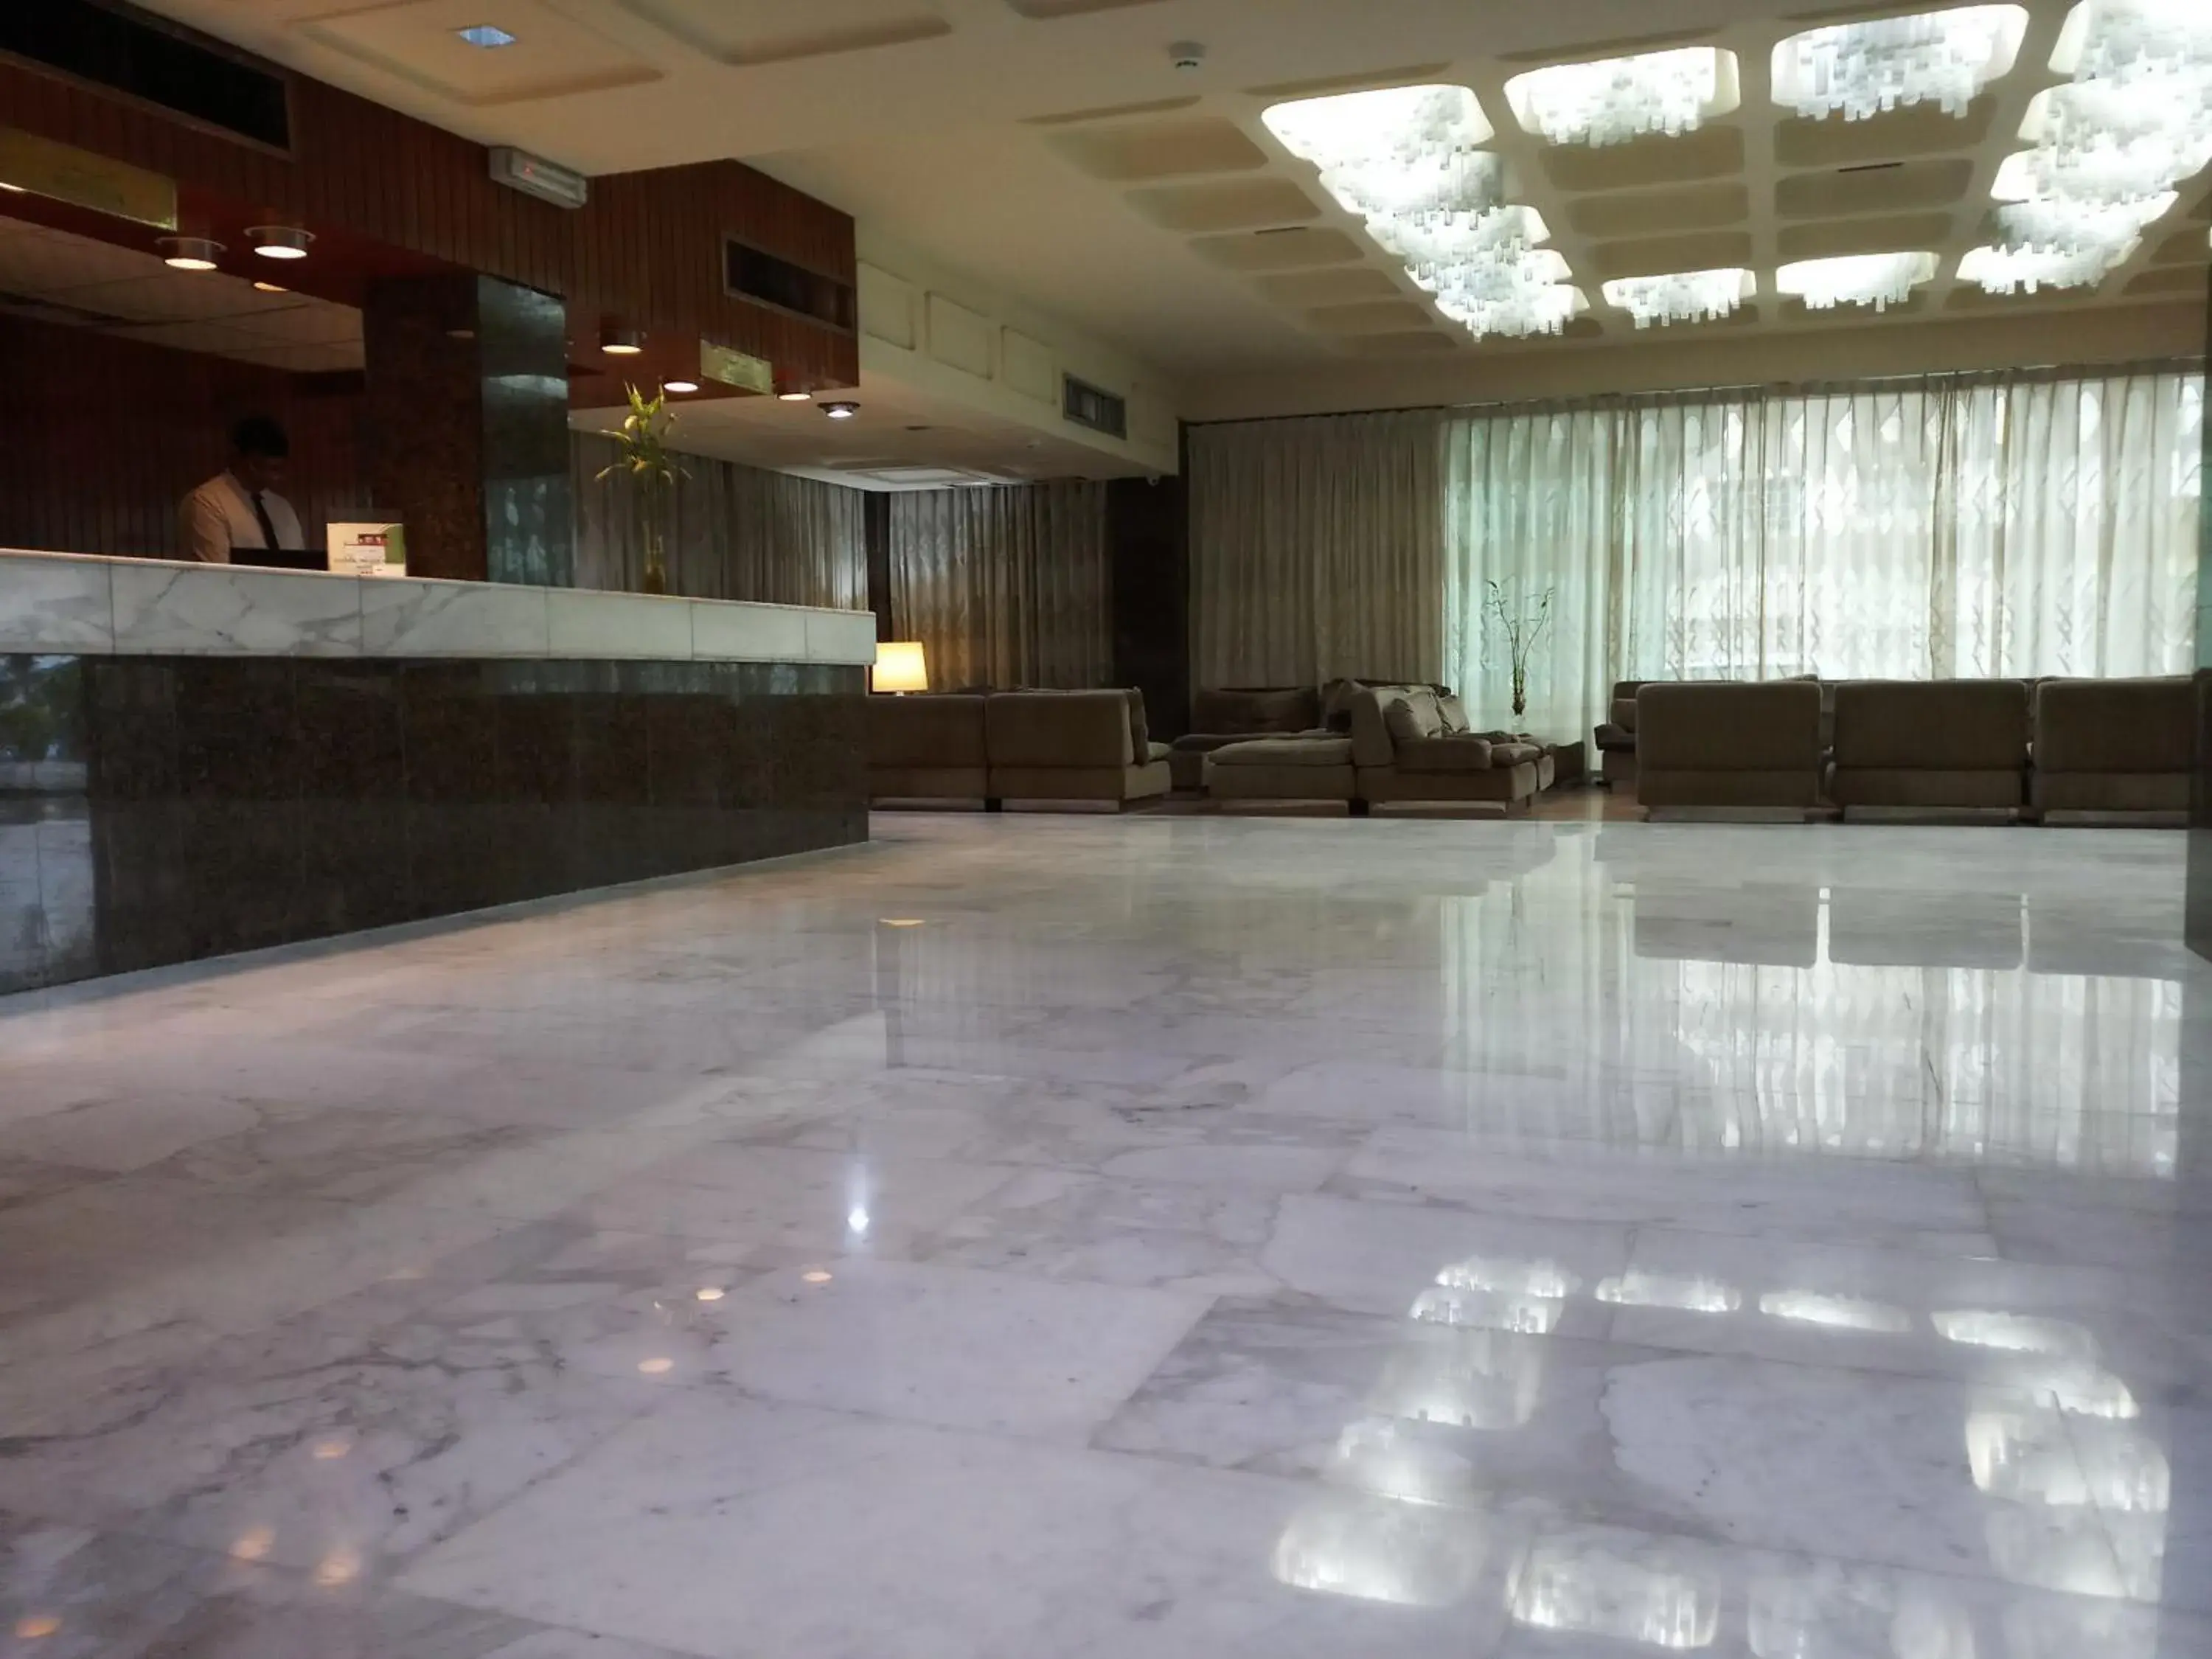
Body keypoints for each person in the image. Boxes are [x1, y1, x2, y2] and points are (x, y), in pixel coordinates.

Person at [178, 415, 303, 563]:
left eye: (277, 469)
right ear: (240, 458)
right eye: (260, 466)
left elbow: (300, 566)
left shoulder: (282, 508)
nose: (272, 476)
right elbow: (216, 574)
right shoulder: (207, 503)